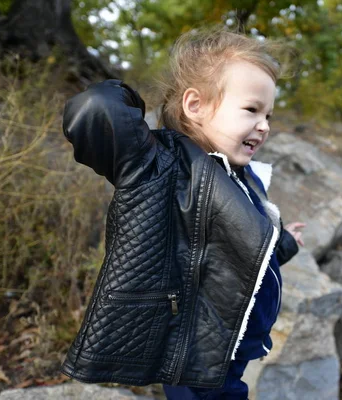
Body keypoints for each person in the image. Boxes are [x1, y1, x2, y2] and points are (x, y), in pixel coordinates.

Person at [60, 27, 305, 400]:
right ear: (195, 106)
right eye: (252, 110)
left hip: (230, 343)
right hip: (191, 349)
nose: (265, 125)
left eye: (268, 114)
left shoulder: (240, 174)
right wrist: (128, 96)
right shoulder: (159, 166)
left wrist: (283, 243)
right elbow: (95, 110)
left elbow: (232, 246)